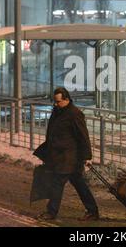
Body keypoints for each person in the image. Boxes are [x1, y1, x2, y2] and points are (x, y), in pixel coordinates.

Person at [33, 87, 99, 221]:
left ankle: (51, 212)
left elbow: (83, 136)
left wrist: (87, 156)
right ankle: (93, 211)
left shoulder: (74, 114)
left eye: (58, 102)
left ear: (67, 99)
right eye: (55, 102)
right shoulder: (58, 112)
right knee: (79, 184)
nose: (56, 104)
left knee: (57, 183)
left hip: (69, 157)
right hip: (60, 156)